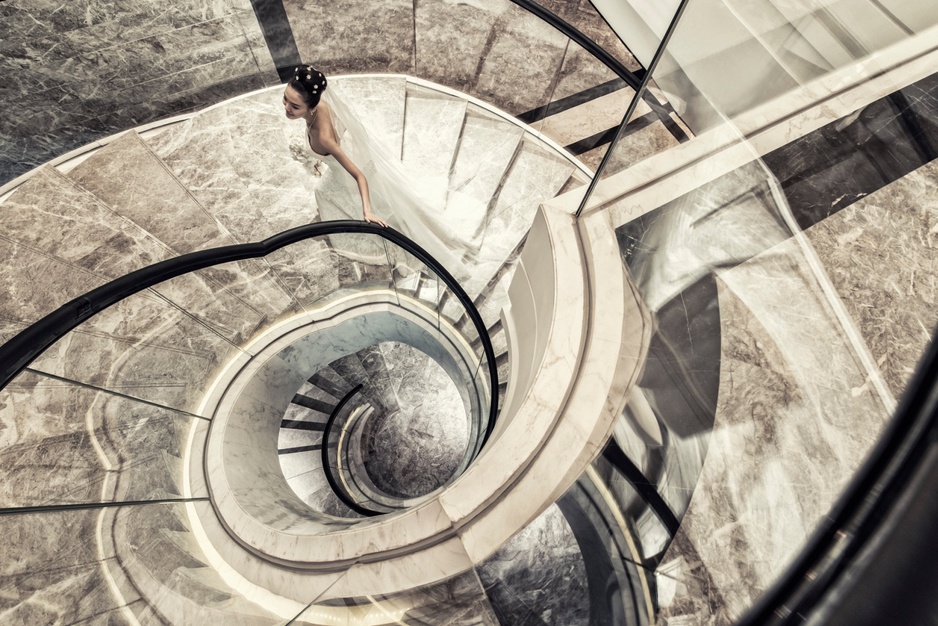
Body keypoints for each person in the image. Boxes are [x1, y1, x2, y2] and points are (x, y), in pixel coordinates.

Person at [283, 66, 387, 227]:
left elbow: (360, 176)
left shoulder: (325, 139)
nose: (287, 108)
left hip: (342, 174)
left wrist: (367, 212)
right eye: (285, 99)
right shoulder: (320, 104)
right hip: (343, 156)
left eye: (295, 106)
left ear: (311, 108)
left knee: (321, 192)